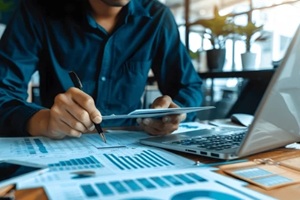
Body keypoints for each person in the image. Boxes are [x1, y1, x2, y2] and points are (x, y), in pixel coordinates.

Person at [0, 0, 203, 139]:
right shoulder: (37, 9)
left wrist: (173, 114)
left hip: (134, 146)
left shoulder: (156, 17)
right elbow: (3, 92)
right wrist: (44, 122)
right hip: (58, 144)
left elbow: (189, 86)